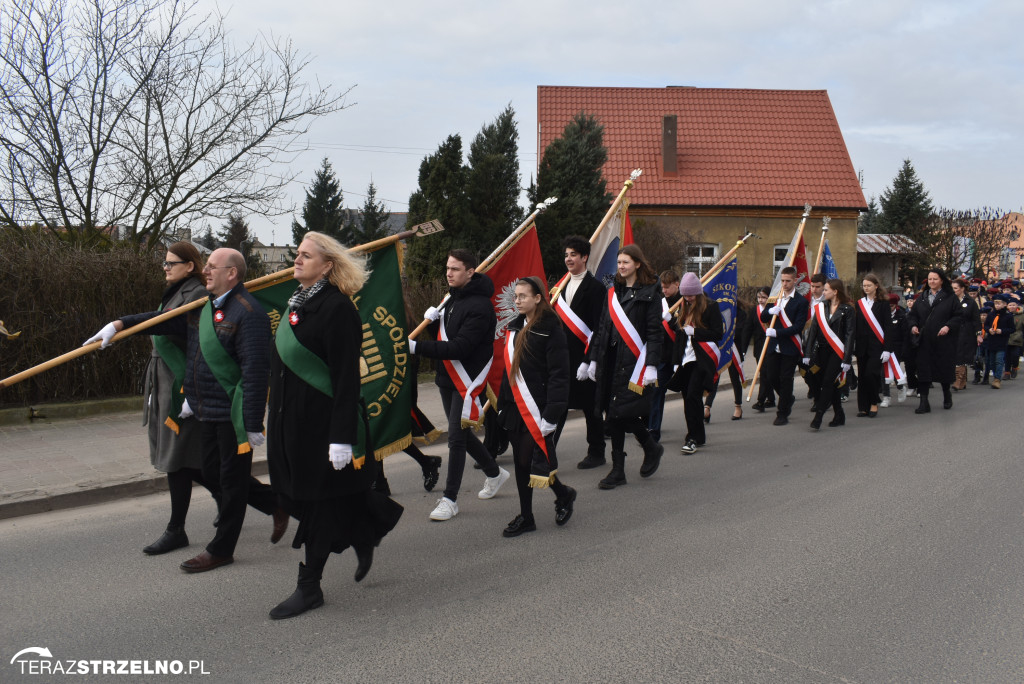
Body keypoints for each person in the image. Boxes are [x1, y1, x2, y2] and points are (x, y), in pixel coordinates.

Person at [86, 248, 287, 572]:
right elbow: (160, 321)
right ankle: (277, 503)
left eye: (212, 267)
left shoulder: (248, 313)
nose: (205, 271)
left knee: (232, 481)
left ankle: (221, 549)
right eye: (205, 265)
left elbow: (255, 370)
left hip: (231, 412)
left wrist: (251, 421)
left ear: (232, 274)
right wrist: (119, 324)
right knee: (209, 472)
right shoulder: (202, 308)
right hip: (204, 407)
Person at [265, 232, 403, 619]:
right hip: (291, 425)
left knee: (319, 505)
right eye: (297, 254)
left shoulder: (337, 308)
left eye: (305, 256)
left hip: (323, 428)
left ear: (327, 266)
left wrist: (342, 438)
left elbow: (346, 379)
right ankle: (368, 529)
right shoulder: (297, 305)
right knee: (299, 496)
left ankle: (309, 587)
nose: (297, 260)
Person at [410, 249, 509, 521]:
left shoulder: (481, 306)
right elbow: (445, 338)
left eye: (455, 269)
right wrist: (433, 323)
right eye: (447, 268)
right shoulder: (451, 299)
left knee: (455, 437)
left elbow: (460, 347)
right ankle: (495, 473)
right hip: (446, 377)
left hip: (467, 379)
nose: (449, 273)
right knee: (463, 436)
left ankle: (450, 499)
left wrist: (416, 347)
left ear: (470, 271)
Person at [136, 242, 213, 555]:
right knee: (191, 463)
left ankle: (176, 529)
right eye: (165, 263)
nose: (165, 268)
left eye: (171, 263)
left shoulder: (195, 294)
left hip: (181, 383)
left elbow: (194, 343)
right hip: (164, 378)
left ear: (190, 266)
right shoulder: (174, 292)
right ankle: (259, 501)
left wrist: (187, 391)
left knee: (179, 460)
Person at [496, 276, 576, 537]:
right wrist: (501, 403)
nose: (517, 300)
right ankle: (559, 497)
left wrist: (552, 414)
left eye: (523, 296)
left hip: (539, 407)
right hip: (514, 407)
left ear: (538, 298)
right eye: (516, 296)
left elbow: (559, 374)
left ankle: (533, 512)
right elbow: (508, 370)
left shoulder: (551, 328)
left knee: (526, 459)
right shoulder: (513, 326)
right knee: (523, 463)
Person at [585, 244, 664, 489]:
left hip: (633, 362)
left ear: (638, 264)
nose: (621, 266)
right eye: (619, 262)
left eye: (626, 262)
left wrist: (651, 365)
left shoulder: (651, 292)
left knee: (621, 412)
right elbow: (602, 327)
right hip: (610, 360)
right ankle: (626, 463)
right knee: (614, 413)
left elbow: (654, 332)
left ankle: (641, 453)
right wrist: (593, 359)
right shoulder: (613, 291)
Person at [552, 235, 607, 469]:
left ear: (584, 257)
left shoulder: (596, 288)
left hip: (585, 358)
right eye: (566, 254)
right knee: (558, 405)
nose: (568, 259)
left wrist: (590, 360)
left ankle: (597, 452)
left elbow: (599, 327)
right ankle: (546, 452)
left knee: (590, 407)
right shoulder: (560, 286)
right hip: (562, 357)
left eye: (573, 254)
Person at [668, 272, 724, 455]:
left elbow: (718, 334)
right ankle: (699, 435)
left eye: (691, 294)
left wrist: (696, 332)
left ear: (698, 293)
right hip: (685, 360)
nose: (688, 297)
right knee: (689, 398)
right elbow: (678, 338)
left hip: (701, 359)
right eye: (685, 294)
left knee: (693, 395)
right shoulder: (682, 306)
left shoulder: (711, 307)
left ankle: (692, 437)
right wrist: (676, 361)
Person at [907, 269, 962, 413]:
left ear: (941, 281)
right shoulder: (922, 297)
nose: (932, 282)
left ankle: (946, 394)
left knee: (943, 370)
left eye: (935, 279)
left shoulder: (950, 297)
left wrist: (948, 326)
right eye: (930, 279)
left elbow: (958, 316)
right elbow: (912, 316)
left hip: (943, 341)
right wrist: (913, 326)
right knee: (923, 371)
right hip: (924, 341)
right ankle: (924, 402)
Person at [759, 267, 809, 425]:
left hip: (790, 346)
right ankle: (788, 398)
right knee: (772, 376)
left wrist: (777, 333)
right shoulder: (775, 298)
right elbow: (763, 316)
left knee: (786, 379)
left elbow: (798, 326)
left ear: (795, 281)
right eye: (783, 281)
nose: (785, 284)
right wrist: (770, 311)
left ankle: (782, 413)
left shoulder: (801, 302)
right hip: (774, 346)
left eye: (788, 281)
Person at [804, 279, 855, 430]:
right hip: (821, 351)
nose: (823, 292)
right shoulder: (820, 307)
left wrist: (847, 358)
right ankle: (839, 414)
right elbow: (813, 331)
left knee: (827, 382)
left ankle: (818, 416)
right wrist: (807, 352)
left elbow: (850, 335)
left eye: (826, 290)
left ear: (835, 291)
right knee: (829, 383)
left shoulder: (848, 309)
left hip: (837, 352)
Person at [853, 274, 892, 418]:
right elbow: (857, 326)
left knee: (871, 375)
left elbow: (888, 327)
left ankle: (874, 402)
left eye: (869, 285)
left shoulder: (883, 303)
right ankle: (863, 406)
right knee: (862, 377)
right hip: (862, 346)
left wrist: (887, 348)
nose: (866, 288)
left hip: (877, 347)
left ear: (876, 286)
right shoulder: (859, 303)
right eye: (864, 286)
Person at [649, 270, 681, 441]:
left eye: (667, 287)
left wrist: (672, 321)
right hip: (663, 356)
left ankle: (694, 431)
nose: (665, 290)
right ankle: (654, 430)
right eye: (662, 287)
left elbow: (686, 330)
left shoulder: (686, 301)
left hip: (681, 356)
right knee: (656, 392)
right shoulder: (659, 302)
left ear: (677, 283)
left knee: (689, 394)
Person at [741, 287, 777, 411]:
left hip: (771, 347)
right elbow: (747, 330)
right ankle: (771, 398)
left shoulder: (773, 310)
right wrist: (743, 349)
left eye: (764, 297)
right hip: (758, 347)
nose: (761, 300)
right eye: (759, 297)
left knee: (766, 374)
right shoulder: (753, 311)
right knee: (765, 374)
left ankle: (761, 401)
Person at [950, 278, 982, 392]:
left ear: (962, 288)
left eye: (955, 288)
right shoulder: (950, 301)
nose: (953, 291)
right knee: (955, 355)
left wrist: (979, 334)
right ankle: (962, 381)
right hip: (953, 331)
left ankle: (957, 380)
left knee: (961, 356)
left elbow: (976, 319)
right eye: (952, 288)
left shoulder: (970, 302)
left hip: (967, 332)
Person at [880, 293, 910, 407]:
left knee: (895, 370)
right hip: (884, 347)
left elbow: (905, 335)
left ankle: (900, 387)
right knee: (883, 373)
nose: (889, 308)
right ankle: (886, 396)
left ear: (896, 306)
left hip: (896, 348)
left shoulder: (901, 316)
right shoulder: (881, 316)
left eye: (891, 306)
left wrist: (903, 350)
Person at [803, 273, 827, 407]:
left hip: (822, 341)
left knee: (817, 370)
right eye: (812, 286)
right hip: (806, 340)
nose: (814, 289)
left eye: (818, 287)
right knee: (805, 370)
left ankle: (819, 399)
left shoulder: (827, 301)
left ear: (824, 287)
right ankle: (813, 388)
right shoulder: (807, 301)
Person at [984, 294, 1012, 389]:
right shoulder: (991, 314)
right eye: (995, 303)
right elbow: (986, 325)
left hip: (1002, 341)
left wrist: (1002, 331)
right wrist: (989, 330)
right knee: (991, 362)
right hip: (992, 341)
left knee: (999, 361)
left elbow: (1012, 329)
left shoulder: (1008, 316)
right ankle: (996, 375)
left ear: (1004, 304)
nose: (997, 305)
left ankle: (997, 379)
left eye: (999, 303)